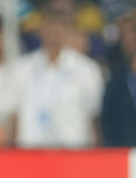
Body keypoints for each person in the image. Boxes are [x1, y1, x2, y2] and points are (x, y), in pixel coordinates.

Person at [14, 9, 104, 147]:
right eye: (50, 26)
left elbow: (94, 116)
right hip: (31, 149)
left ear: (68, 31)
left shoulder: (87, 69)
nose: (54, 32)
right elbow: (14, 114)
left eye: (60, 27)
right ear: (41, 31)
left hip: (74, 149)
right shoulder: (22, 68)